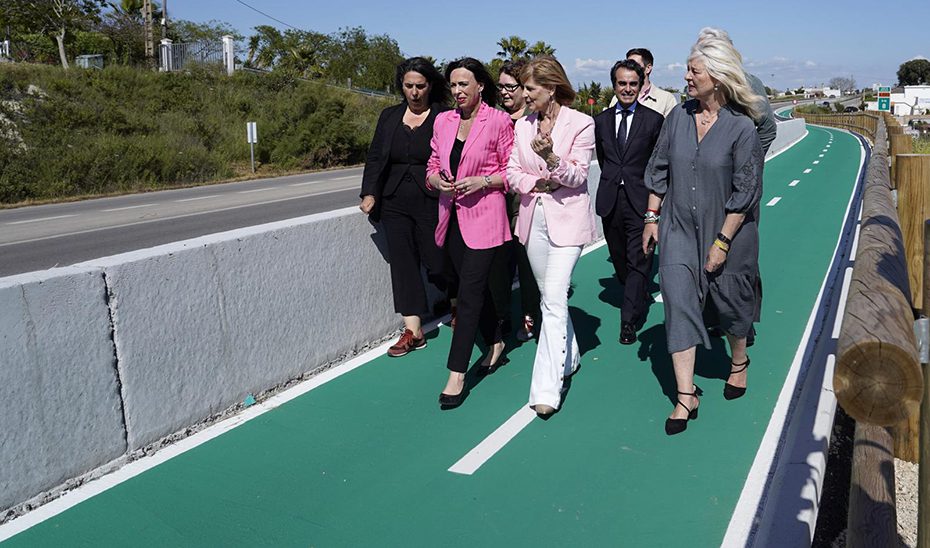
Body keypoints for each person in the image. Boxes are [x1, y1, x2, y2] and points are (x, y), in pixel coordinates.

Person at [643, 34, 765, 435]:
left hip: (726, 229)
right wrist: (650, 216)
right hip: (677, 227)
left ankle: (739, 362)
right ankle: (684, 395)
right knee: (677, 302)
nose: (686, 77)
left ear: (716, 75)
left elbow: (745, 191)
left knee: (730, 307)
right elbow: (659, 168)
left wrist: (723, 242)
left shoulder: (742, 128)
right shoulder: (677, 117)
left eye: (694, 70)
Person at [507, 56, 597, 416]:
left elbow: (578, 176)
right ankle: (569, 355)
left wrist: (553, 160)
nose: (523, 95)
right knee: (549, 295)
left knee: (554, 298)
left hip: (568, 222)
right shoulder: (522, 127)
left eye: (529, 89)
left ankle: (547, 388)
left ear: (551, 88)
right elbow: (512, 172)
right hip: (533, 221)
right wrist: (537, 182)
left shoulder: (582, 123)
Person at [426, 57, 514, 409]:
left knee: (468, 296)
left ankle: (456, 373)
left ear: (480, 86)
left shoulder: (499, 121)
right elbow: (433, 165)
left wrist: (484, 180)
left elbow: (513, 172)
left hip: (486, 219)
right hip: (451, 219)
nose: (458, 91)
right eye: (453, 85)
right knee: (472, 288)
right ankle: (495, 342)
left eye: (464, 84)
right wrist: (436, 180)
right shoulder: (443, 121)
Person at [360, 57, 452, 358]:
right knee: (402, 264)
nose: (414, 92)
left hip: (432, 198)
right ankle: (413, 330)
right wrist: (370, 193)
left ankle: (456, 301)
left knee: (438, 259)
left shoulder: (444, 116)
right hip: (394, 200)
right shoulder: (389, 116)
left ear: (431, 86)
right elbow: (375, 157)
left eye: (420, 86)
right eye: (408, 86)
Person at [696, 28, 776, 348]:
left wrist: (749, 167)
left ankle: (743, 322)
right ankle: (714, 317)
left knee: (740, 257)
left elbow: (767, 129)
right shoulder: (697, 86)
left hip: (741, 188)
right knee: (707, 249)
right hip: (706, 188)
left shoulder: (749, 83)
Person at [593, 59, 665, 345]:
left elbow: (659, 163)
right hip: (611, 198)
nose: (627, 89)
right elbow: (603, 158)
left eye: (633, 84)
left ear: (640, 85)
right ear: (614, 85)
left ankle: (628, 320)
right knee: (621, 259)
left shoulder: (653, 120)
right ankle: (636, 291)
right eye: (622, 83)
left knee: (640, 259)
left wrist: (655, 207)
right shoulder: (600, 121)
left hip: (641, 199)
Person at [489, 59, 541, 344]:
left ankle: (530, 314)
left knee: (527, 265)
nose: (505, 92)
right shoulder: (493, 119)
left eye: (511, 86)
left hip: (524, 203)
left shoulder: (535, 121)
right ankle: (501, 319)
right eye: (501, 87)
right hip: (493, 205)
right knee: (497, 267)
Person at [609, 48, 679, 117]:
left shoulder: (666, 99)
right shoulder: (616, 99)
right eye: (628, 64)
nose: (630, 68)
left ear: (648, 68)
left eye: (635, 65)